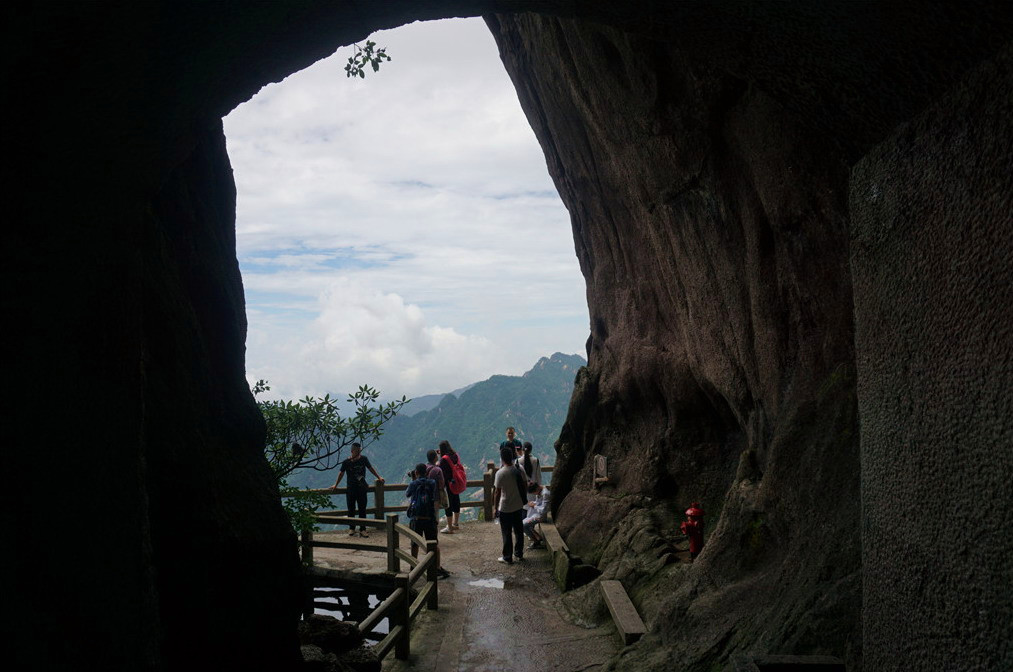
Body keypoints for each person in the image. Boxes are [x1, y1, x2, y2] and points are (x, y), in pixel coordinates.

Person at [405, 462, 451, 579]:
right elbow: (435, 497)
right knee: (433, 543)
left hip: (417, 518)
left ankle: (413, 566)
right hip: (429, 517)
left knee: (414, 543)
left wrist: (413, 479)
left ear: (416, 472)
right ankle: (436, 567)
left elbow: (407, 494)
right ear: (426, 472)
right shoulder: (432, 483)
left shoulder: (414, 483)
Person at [331, 443, 384, 537]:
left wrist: (379, 477)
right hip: (351, 489)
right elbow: (341, 473)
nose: (359, 452)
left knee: (362, 509)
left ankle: (363, 529)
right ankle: (352, 528)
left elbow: (370, 468)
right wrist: (336, 484)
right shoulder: (346, 462)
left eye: (360, 451)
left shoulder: (364, 459)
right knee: (351, 509)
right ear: (352, 451)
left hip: (362, 488)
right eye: (357, 451)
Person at [493, 445, 528, 564]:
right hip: (518, 505)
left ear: (502, 458)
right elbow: (525, 484)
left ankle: (507, 557)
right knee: (519, 530)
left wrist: (495, 508)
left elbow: (497, 492)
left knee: (506, 532)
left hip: (505, 507)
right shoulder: (519, 469)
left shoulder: (500, 473)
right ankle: (519, 553)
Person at [438, 440, 462, 533]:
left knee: (448, 505)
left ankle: (449, 527)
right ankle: (455, 524)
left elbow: (441, 470)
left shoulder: (444, 459)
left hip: (448, 484)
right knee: (456, 501)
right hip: (456, 482)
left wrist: (438, 462)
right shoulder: (455, 455)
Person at [523, 481, 551, 549]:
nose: (534, 494)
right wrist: (533, 503)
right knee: (525, 524)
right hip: (536, 514)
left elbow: (544, 510)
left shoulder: (545, 494)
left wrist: (534, 506)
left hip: (541, 516)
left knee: (523, 525)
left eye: (533, 492)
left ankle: (536, 542)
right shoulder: (540, 491)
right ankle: (537, 538)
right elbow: (539, 503)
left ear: (537, 489)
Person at [425, 449, 449, 516]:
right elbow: (442, 484)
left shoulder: (424, 468)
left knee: (427, 514)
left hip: (425, 496)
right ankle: (434, 526)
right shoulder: (437, 470)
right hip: (435, 496)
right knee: (435, 515)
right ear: (435, 457)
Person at [520, 441, 541, 515]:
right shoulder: (536, 460)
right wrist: (539, 491)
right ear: (531, 450)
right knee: (532, 510)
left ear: (522, 450)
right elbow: (538, 477)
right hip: (534, 490)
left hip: (522, 490)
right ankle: (531, 526)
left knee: (523, 510)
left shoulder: (518, 461)